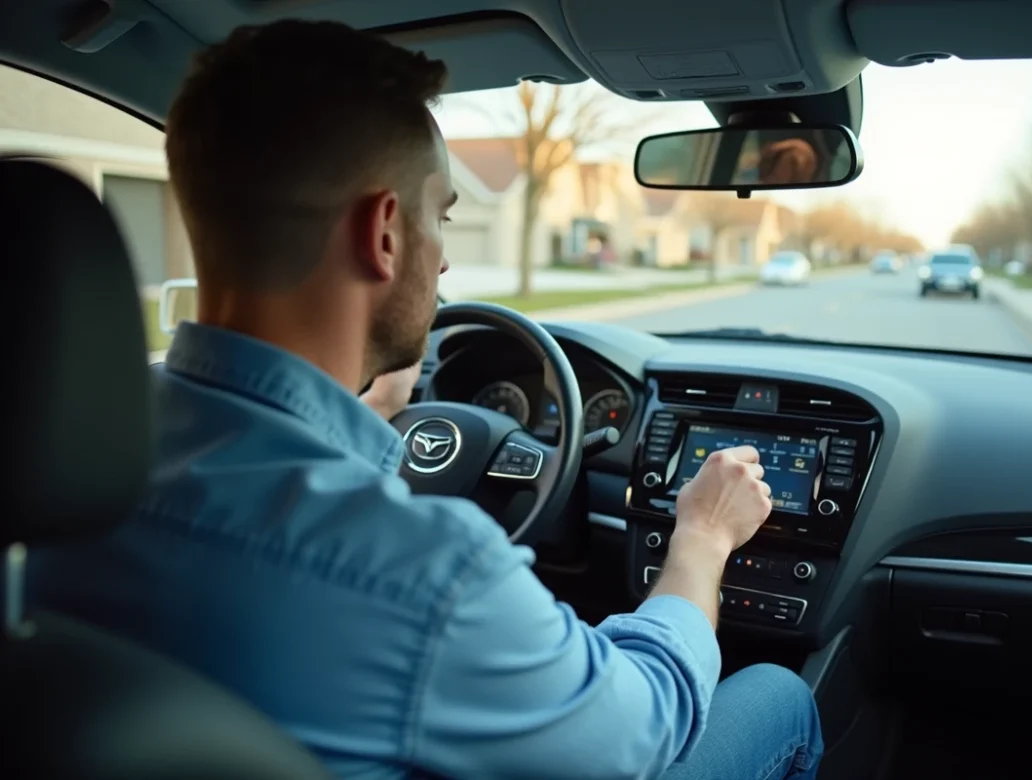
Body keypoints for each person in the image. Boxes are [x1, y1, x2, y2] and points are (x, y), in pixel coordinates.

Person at [28, 20, 822, 780]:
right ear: (383, 233)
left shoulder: (59, 464)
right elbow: (646, 729)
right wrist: (703, 537)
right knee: (780, 697)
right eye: (440, 216)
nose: (442, 263)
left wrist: (361, 415)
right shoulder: (424, 571)